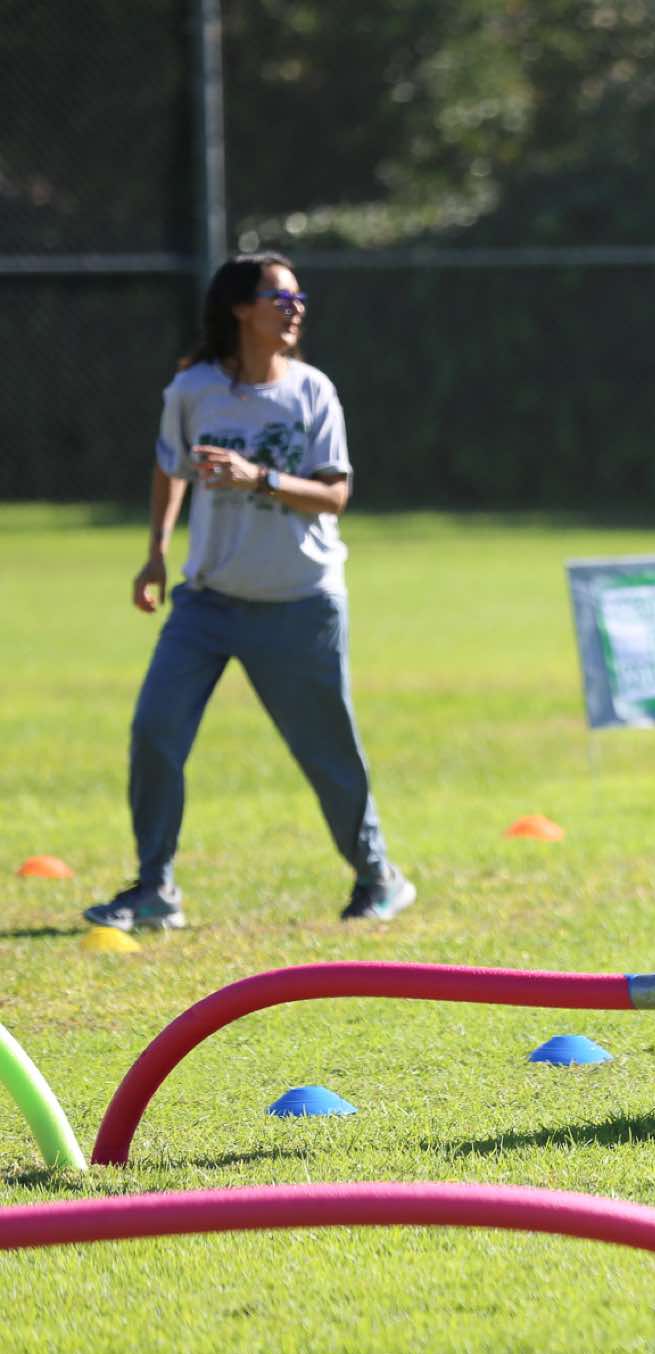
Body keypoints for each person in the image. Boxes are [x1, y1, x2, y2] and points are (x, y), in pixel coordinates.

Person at [82, 251, 414, 932]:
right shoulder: (194, 389)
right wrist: (155, 554)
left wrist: (258, 477)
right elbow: (170, 467)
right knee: (155, 731)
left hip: (299, 602)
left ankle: (378, 876)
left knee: (327, 753)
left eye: (298, 299)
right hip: (206, 601)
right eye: (279, 298)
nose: (295, 309)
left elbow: (335, 495)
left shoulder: (312, 391)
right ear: (240, 308)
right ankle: (154, 888)